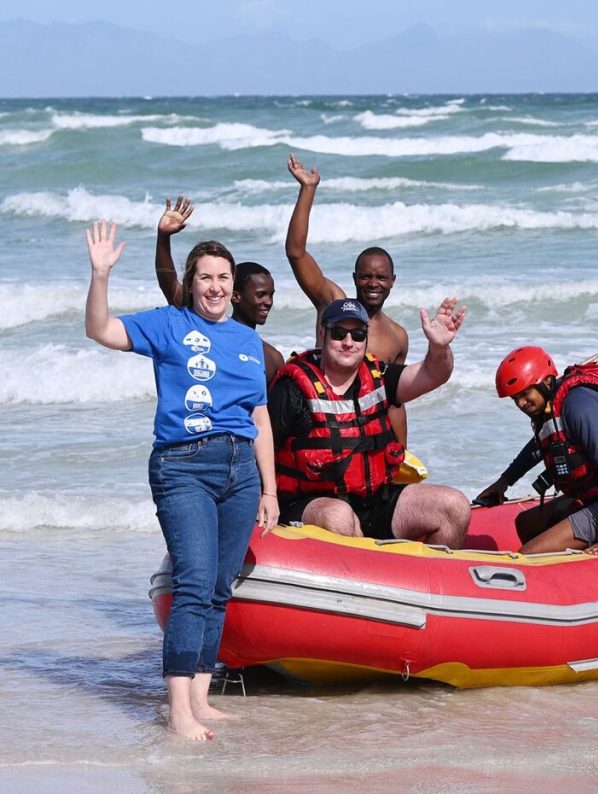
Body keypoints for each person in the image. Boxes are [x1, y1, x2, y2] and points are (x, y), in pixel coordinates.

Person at [85, 221, 279, 741]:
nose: (215, 286)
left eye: (223, 277)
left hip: (241, 471)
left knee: (218, 588)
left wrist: (270, 489)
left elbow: (259, 417)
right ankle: (177, 711)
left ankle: (200, 700)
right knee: (192, 583)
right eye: (205, 277)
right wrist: (100, 275)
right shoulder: (168, 325)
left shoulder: (246, 340)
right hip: (183, 466)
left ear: (233, 285)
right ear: (191, 283)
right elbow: (100, 331)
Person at [269, 297, 469, 548]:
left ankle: (425, 583)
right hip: (309, 504)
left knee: (454, 506)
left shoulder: (377, 376)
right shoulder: (292, 389)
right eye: (339, 333)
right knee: (339, 517)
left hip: (372, 500)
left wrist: (439, 347)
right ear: (323, 333)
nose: (348, 342)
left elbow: (433, 374)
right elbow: (259, 448)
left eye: (358, 334)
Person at [476, 347, 598, 556]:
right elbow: (539, 445)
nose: (521, 403)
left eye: (524, 394)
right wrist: (504, 482)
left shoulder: (578, 406)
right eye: (514, 398)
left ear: (546, 382)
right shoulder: (552, 406)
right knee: (525, 524)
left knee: (529, 554)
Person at [285, 154, 411, 446]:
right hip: (320, 432)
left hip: (366, 441)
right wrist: (308, 189)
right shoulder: (333, 303)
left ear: (393, 281)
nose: (373, 284)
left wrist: (401, 455)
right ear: (355, 278)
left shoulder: (397, 337)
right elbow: (296, 253)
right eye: (366, 276)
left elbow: (396, 402)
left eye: (381, 278)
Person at [155, 195, 285, 384]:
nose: (268, 302)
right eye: (260, 295)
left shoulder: (272, 358)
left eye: (271, 295)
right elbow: (170, 285)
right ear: (235, 295)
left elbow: (273, 412)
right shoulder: (203, 333)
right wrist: (163, 237)